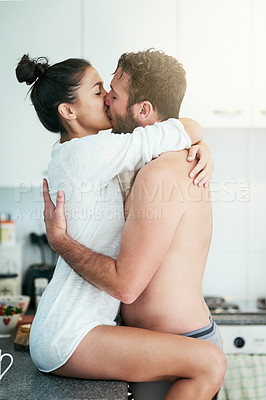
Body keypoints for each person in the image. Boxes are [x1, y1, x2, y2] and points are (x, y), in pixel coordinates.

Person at [16, 51, 226, 400]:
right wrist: (194, 137)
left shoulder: (120, 160)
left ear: (142, 109)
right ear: (68, 111)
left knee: (210, 362)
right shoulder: (87, 154)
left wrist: (200, 145)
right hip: (72, 332)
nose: (108, 100)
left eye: (110, 92)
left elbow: (171, 136)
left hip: (100, 330)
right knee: (211, 363)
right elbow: (175, 131)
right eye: (99, 92)